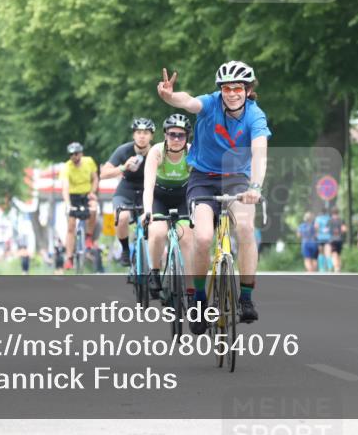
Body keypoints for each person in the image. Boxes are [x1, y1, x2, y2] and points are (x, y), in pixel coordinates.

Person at [157, 61, 270, 330]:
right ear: (221, 90)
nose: (232, 93)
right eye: (227, 88)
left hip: (237, 178)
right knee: (204, 236)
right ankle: (198, 300)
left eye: (238, 88)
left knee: (244, 228)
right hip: (203, 179)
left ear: (248, 90)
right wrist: (171, 97)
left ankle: (245, 298)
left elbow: (259, 152)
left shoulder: (255, 115)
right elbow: (189, 102)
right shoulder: (210, 103)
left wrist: (255, 187)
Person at [142, 113, 195, 300]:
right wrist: (147, 211)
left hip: (182, 197)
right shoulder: (156, 152)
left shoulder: (191, 153)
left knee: (187, 237)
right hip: (159, 197)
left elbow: (197, 184)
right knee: (157, 232)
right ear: (165, 135)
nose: (176, 139)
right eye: (172, 134)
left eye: (181, 135)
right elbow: (148, 186)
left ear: (187, 137)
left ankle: (190, 290)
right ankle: (154, 273)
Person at [102, 119, 155, 268]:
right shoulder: (123, 150)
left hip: (148, 190)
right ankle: (125, 249)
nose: (142, 136)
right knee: (122, 216)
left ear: (151, 136)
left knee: (154, 222)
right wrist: (123, 168)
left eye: (145, 133)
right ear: (133, 135)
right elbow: (104, 173)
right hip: (126, 190)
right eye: (138, 133)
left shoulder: (156, 151)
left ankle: (153, 258)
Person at [60, 142, 99, 271]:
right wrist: (67, 203)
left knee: (93, 208)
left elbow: (95, 178)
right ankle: (69, 258)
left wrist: (92, 192)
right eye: (71, 154)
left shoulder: (89, 162)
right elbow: (65, 187)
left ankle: (88, 236)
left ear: (81, 154)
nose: (74, 157)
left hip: (87, 194)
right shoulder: (66, 167)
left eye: (76, 154)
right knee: (71, 226)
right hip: (73, 196)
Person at [328, 207, 345, 273]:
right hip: (340, 239)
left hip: (332, 239)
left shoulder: (330, 221)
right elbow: (344, 229)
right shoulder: (341, 220)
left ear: (332, 213)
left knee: (334, 253)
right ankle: (338, 266)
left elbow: (326, 230)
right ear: (338, 213)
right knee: (338, 253)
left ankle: (336, 267)